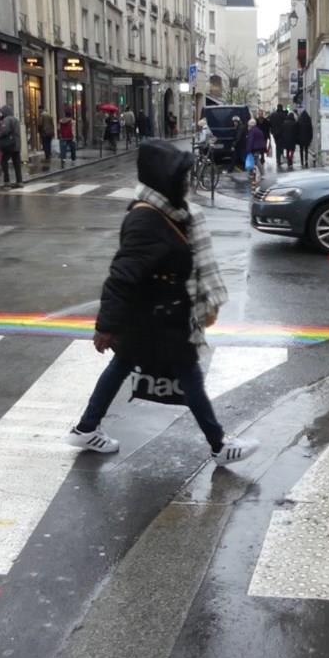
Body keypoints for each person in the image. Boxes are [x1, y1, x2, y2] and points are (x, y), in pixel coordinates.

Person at [64, 140, 259, 465]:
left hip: (156, 316)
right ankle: (219, 444)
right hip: (159, 320)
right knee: (190, 375)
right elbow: (121, 276)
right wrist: (106, 326)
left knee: (122, 366)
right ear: (163, 180)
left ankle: (86, 427)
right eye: (180, 177)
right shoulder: (147, 221)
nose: (186, 183)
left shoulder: (169, 212)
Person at [0, 104, 24, 189]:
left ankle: (7, 182)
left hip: (10, 145)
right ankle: (19, 181)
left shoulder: (7, 119)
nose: (1, 114)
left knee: (3, 162)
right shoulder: (16, 119)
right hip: (17, 145)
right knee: (16, 164)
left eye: (2, 112)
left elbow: (5, 130)